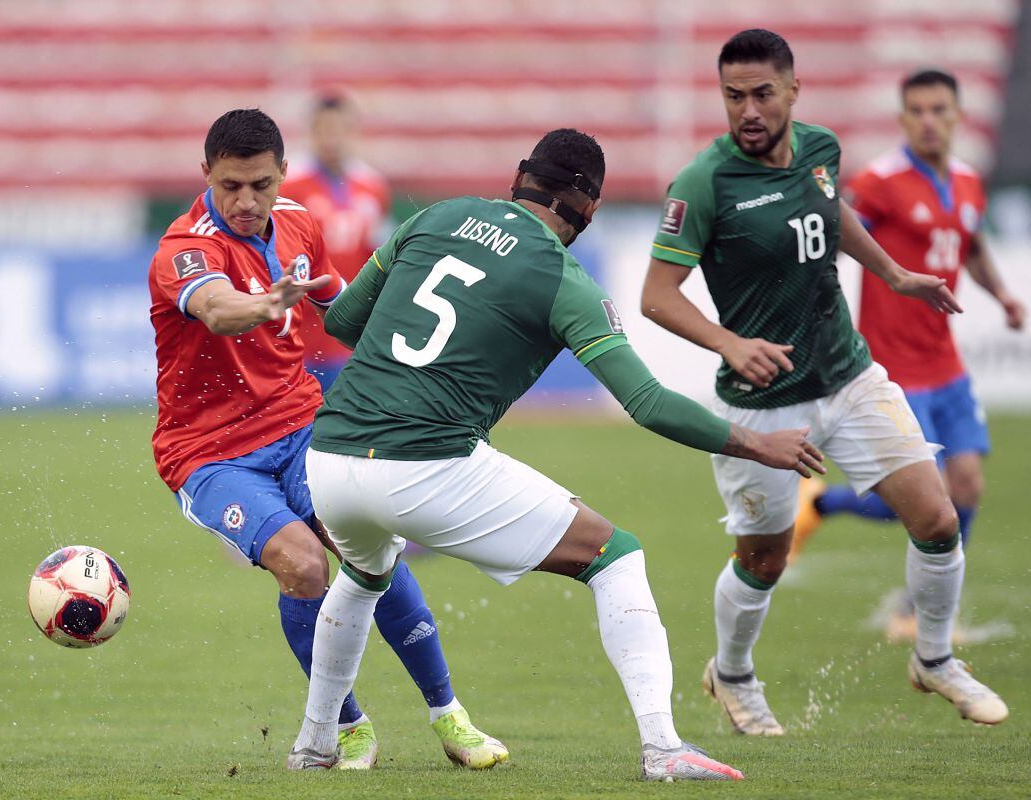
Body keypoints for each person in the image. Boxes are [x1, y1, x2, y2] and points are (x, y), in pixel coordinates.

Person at [287, 126, 830, 781]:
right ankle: (663, 748)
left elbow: (343, 323)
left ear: (521, 176)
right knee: (614, 553)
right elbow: (649, 403)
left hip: (331, 459)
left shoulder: (439, 214)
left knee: (364, 577)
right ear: (589, 209)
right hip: (424, 464)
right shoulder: (562, 278)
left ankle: (316, 743)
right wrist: (757, 442)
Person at [640, 29, 1008, 736]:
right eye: (733, 96)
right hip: (763, 404)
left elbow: (829, 209)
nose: (747, 110)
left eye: (761, 94)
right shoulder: (703, 182)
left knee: (937, 520)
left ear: (793, 91)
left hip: (848, 374)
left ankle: (934, 657)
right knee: (765, 558)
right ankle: (733, 672)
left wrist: (893, 273)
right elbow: (657, 295)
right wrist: (729, 343)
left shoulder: (820, 149)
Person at [148, 108, 506, 771]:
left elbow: (346, 310)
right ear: (206, 176)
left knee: (371, 542)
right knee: (303, 563)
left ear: (286, 173)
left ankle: (449, 716)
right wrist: (264, 304)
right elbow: (218, 309)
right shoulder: (183, 250)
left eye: (261, 183)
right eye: (231, 186)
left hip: (301, 425)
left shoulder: (301, 227)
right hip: (210, 456)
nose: (247, 201)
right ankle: (347, 727)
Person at [790, 68, 1026, 639]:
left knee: (966, 488)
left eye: (938, 109)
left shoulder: (968, 182)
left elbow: (968, 245)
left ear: (957, 116)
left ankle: (920, 609)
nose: (927, 120)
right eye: (915, 110)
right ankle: (824, 507)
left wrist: (1003, 296)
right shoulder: (880, 182)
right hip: (894, 369)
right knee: (919, 498)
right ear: (902, 119)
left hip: (945, 366)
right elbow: (833, 235)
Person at [283, 93, 391, 391]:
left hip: (346, 330)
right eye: (323, 129)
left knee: (341, 426)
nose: (331, 139)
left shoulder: (372, 185)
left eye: (339, 130)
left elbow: (377, 255)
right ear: (312, 131)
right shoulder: (290, 183)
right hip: (297, 329)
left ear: (352, 131)